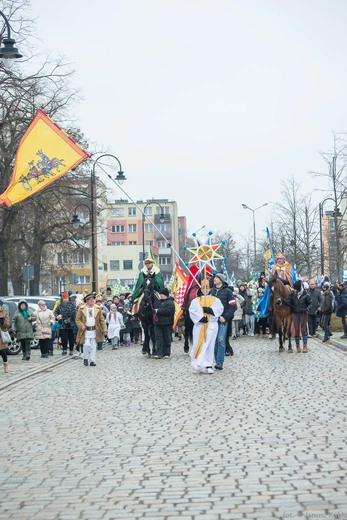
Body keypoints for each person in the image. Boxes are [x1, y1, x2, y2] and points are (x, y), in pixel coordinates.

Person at [189, 279, 224, 373]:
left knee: (210, 345)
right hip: (200, 325)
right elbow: (192, 311)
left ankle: (208, 365)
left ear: (210, 288)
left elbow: (220, 309)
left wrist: (211, 310)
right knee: (199, 344)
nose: (205, 289)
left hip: (211, 325)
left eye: (207, 287)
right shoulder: (195, 301)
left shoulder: (215, 300)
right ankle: (198, 364)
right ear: (201, 289)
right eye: (203, 288)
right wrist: (200, 318)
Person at [211, 273, 237, 370]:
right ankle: (216, 358)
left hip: (223, 319)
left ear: (221, 280)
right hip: (213, 320)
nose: (215, 279)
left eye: (217, 277)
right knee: (214, 341)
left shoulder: (227, 292)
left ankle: (219, 362)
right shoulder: (211, 291)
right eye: (215, 277)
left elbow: (233, 306)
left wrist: (226, 317)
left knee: (221, 340)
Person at [76, 294, 108, 366]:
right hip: (85, 331)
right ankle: (85, 358)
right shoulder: (81, 309)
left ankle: (92, 360)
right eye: (90, 300)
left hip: (94, 330)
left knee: (93, 346)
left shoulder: (97, 308)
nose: (92, 301)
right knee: (86, 345)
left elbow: (101, 320)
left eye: (93, 299)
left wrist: (105, 329)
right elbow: (77, 320)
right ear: (86, 301)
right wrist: (82, 325)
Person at [283, 280, 312, 353]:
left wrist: (307, 308)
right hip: (295, 313)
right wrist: (283, 300)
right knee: (296, 329)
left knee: (303, 329)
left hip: (303, 313)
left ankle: (305, 345)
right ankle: (297, 346)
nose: (293, 290)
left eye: (295, 289)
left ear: (298, 289)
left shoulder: (306, 294)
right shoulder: (292, 294)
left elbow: (310, 304)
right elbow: (289, 302)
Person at [153, 287, 175, 359]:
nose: (161, 295)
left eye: (162, 294)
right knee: (158, 338)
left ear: (166, 295)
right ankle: (159, 352)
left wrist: (158, 311)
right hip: (158, 323)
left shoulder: (170, 302)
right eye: (160, 294)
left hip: (167, 323)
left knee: (167, 338)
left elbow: (168, 311)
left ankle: (166, 353)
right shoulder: (157, 302)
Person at [0, 299, 10, 373]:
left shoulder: (4, 312)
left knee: (3, 351)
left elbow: (8, 325)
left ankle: (5, 364)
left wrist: (2, 322)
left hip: (1, 335)